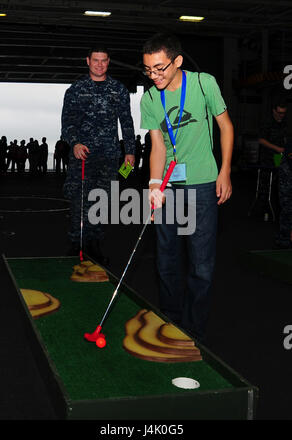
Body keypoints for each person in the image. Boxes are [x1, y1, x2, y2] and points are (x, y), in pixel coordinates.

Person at [140, 33, 234, 342]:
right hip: (167, 186)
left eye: (159, 68)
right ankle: (171, 320)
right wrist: (154, 185)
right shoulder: (151, 97)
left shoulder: (204, 83)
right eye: (148, 70)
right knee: (166, 259)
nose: (154, 76)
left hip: (203, 184)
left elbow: (226, 126)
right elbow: (156, 145)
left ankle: (194, 330)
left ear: (177, 61)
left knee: (201, 263)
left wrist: (225, 172)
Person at [61, 45, 136, 263]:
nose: (100, 64)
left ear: (108, 62)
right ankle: (77, 243)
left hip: (109, 155)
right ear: (88, 61)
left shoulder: (118, 89)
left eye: (104, 60)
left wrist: (129, 152)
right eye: (96, 60)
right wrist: (74, 143)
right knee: (79, 199)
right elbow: (68, 122)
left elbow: (127, 122)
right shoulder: (76, 89)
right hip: (82, 155)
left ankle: (94, 243)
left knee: (102, 200)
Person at [257, 98, 288, 218]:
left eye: (284, 113)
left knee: (279, 182)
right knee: (265, 185)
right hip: (267, 156)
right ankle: (264, 211)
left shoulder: (284, 123)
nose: (282, 115)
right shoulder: (267, 121)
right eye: (280, 113)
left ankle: (278, 211)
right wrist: (277, 148)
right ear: (274, 111)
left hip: (278, 156)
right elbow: (261, 140)